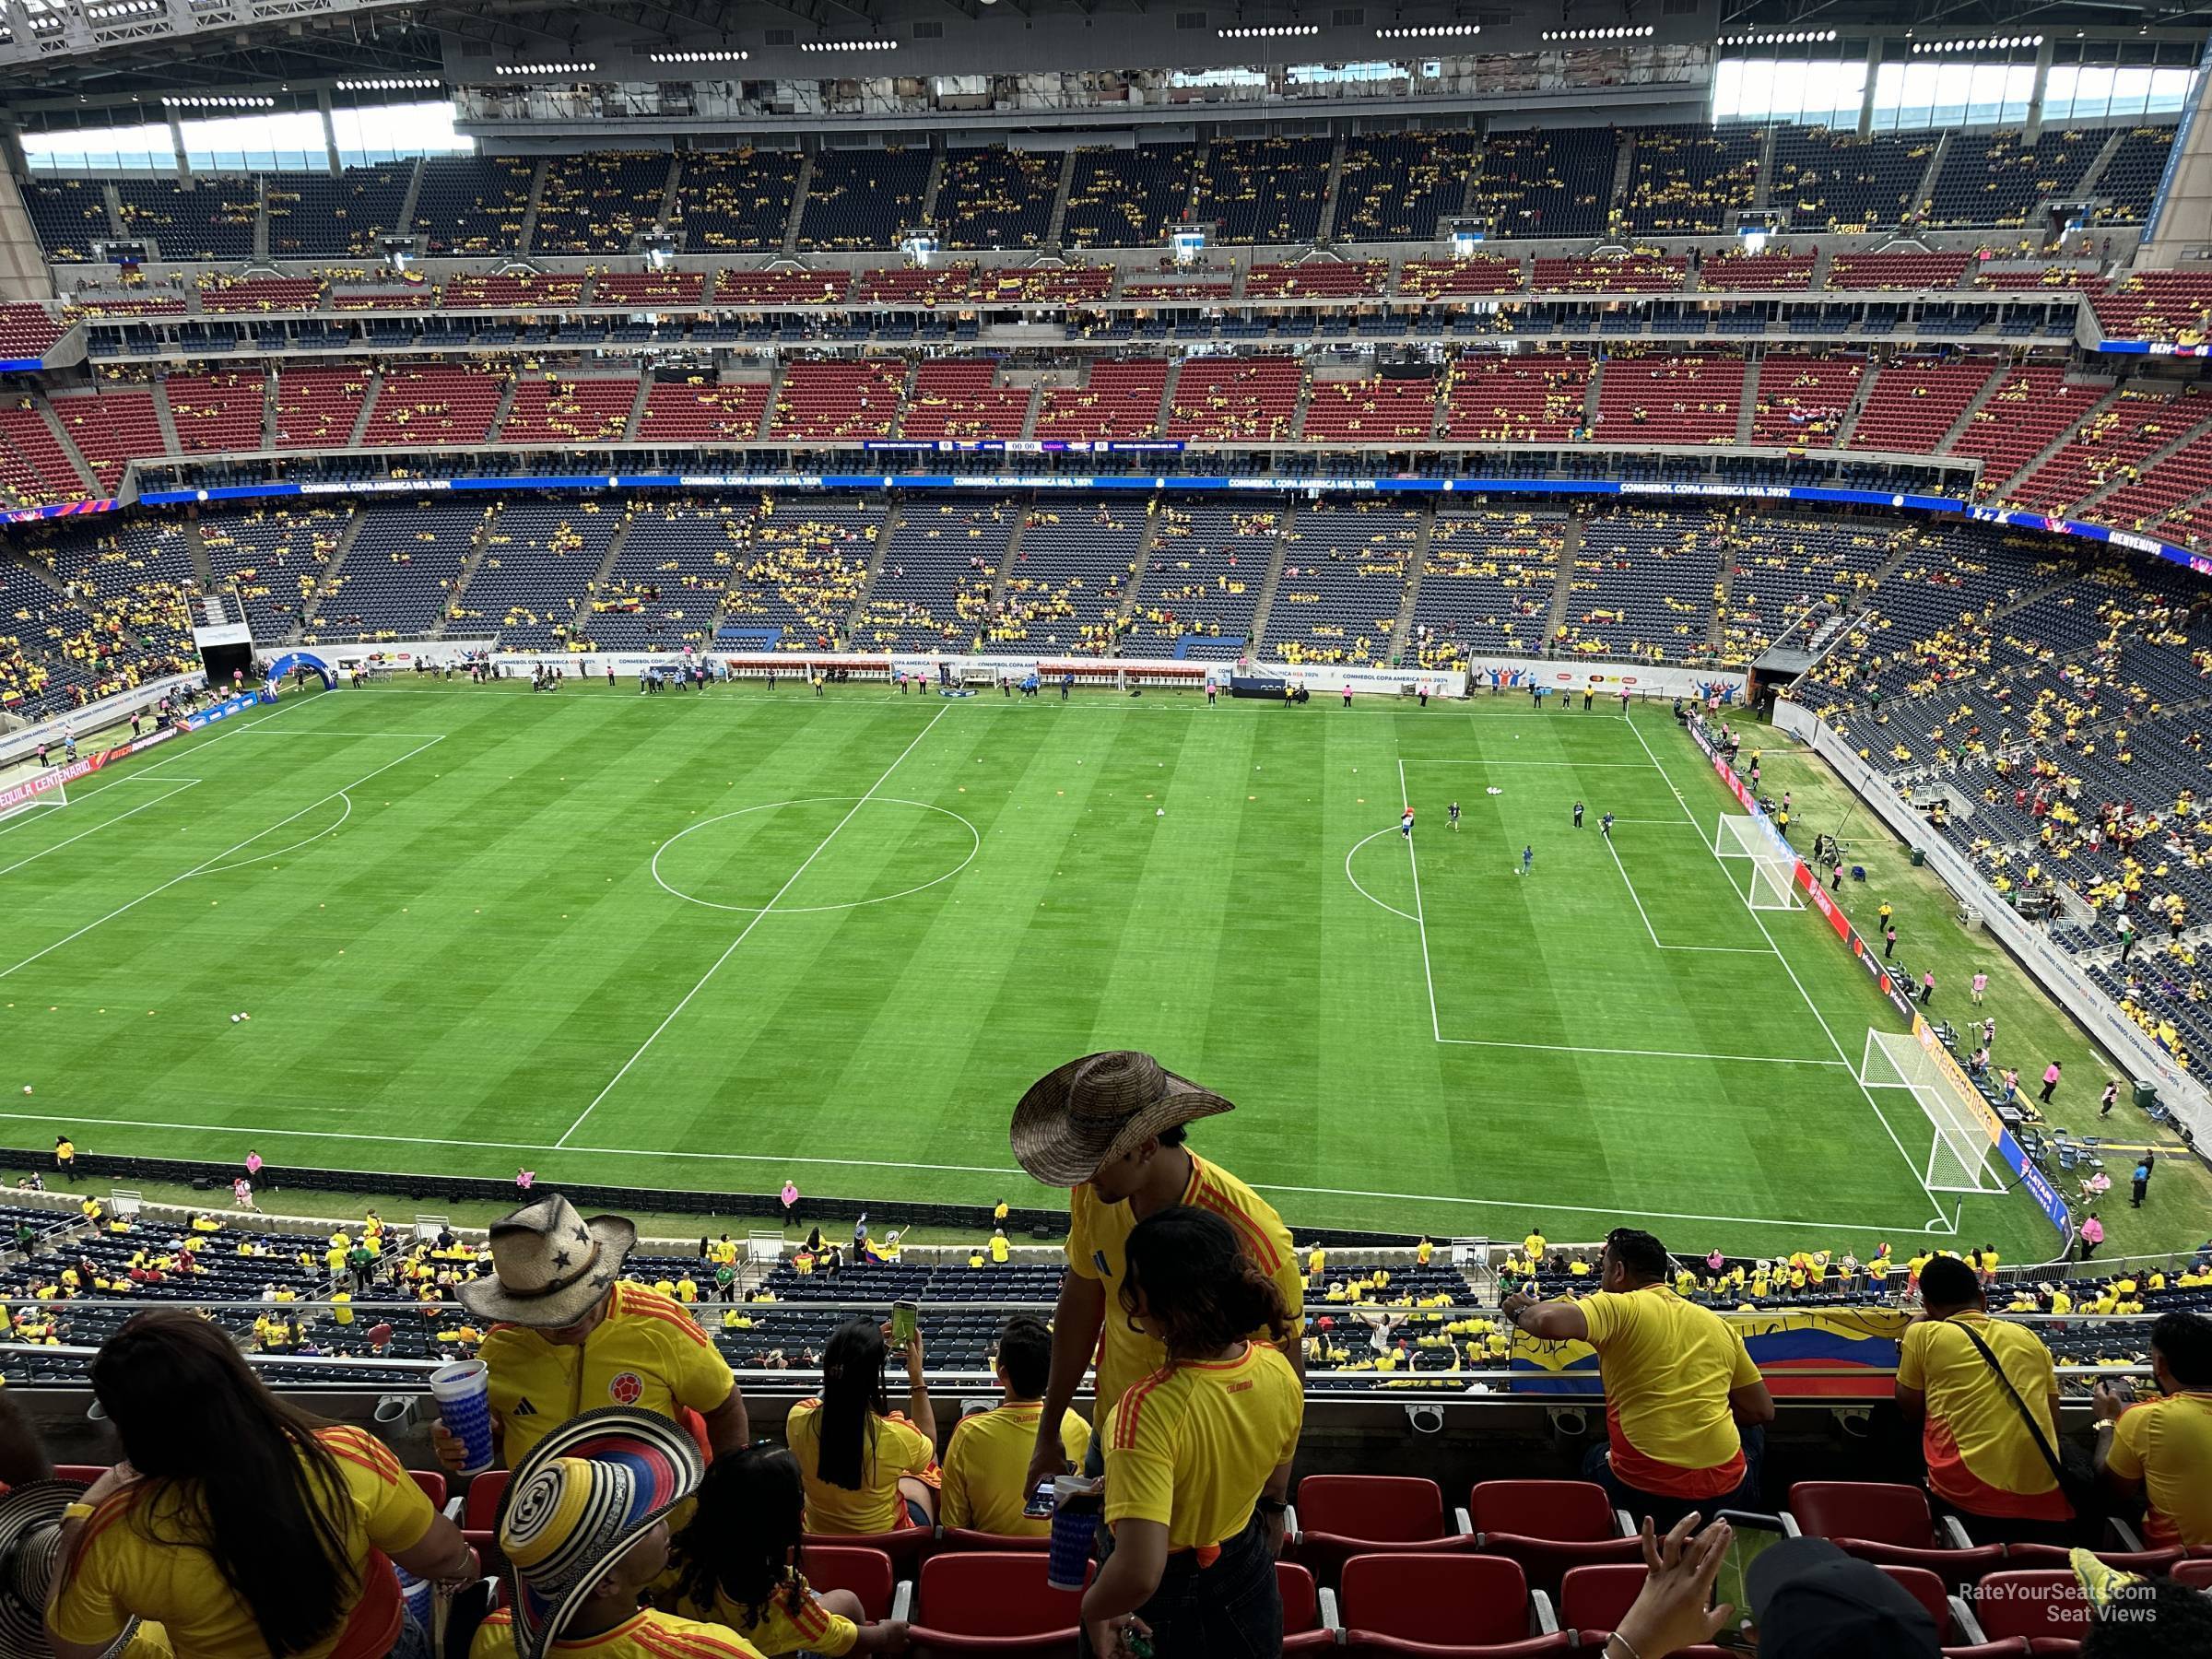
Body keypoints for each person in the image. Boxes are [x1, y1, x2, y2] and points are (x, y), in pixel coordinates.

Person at [44, 1309, 477, 1659]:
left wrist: (78, 1521)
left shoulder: (114, 1531)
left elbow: (77, 1649)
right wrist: (468, 1566)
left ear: (124, 1422)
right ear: (239, 1379)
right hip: (377, 1647)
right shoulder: (343, 1457)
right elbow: (439, 1557)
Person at [1009, 1051, 1304, 1508]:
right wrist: (1048, 1434)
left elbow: (1284, 1371)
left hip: (1210, 1457)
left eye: (1098, 1158)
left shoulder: (1250, 1237)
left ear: (1146, 1145)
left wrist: (1273, 1497)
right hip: (1115, 1437)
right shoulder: (1094, 1193)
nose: (1084, 1173)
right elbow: (1083, 1299)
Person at [1079, 1206, 1302, 1659]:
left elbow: (1140, 1571)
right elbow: (1271, 1481)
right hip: (1247, 1569)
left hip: (1160, 1601)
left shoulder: (1143, 1410)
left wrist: (1094, 1609)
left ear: (1153, 1307)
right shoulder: (1277, 1369)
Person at [443, 1194, 749, 1472]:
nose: (570, 1321)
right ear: (516, 1310)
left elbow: (723, 1406)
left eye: (581, 1300)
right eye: (549, 1314)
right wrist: (454, 1444)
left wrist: (723, 1492)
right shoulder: (500, 1347)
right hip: (546, 1523)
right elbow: (495, 1434)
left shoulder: (661, 1325)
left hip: (663, 1519)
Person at [1501, 1228, 1773, 1528]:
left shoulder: (1618, 1305)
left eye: (1604, 1270)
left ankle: (1606, 1537)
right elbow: (1761, 1410)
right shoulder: (1717, 1324)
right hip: (1728, 1490)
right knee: (1750, 1436)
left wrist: (1519, 1311)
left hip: (1645, 1487)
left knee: (1592, 1456)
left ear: (1618, 1271)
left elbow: (1546, 1321)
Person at [471, 1407, 758, 1659]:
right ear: (607, 1582)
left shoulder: (492, 1637)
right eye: (645, 1525)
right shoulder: (712, 1651)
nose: (664, 1524)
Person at [659, 1444, 910, 1653]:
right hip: (769, 1644)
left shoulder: (675, 1562)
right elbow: (844, 1637)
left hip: (701, 1646)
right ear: (785, 1523)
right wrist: (886, 1635)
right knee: (848, 1601)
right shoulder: (782, 1603)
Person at [1895, 1253, 2075, 1544]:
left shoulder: (1923, 1333)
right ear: (1983, 1299)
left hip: (1967, 1500)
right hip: (2047, 1503)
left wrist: (1907, 1338)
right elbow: (2054, 1423)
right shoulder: (2028, 1337)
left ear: (1927, 1306)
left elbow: (1909, 1409)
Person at [940, 1314, 1090, 1537]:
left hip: (987, 1565)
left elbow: (953, 1526)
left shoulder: (968, 1433)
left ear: (1001, 1373)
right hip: (1055, 1562)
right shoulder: (1078, 1427)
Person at [783, 1315, 935, 1534]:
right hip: (887, 1545)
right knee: (917, 1483)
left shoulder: (797, 1419)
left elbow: (836, 1391)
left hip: (818, 1539)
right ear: (872, 1377)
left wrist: (868, 1356)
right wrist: (916, 1378)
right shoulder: (897, 1436)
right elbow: (929, 1445)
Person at [2093, 1309, 2212, 1547]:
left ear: (2159, 1363)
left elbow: (2112, 1491)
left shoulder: (2147, 1417)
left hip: (2181, 1566)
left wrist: (2107, 1421)